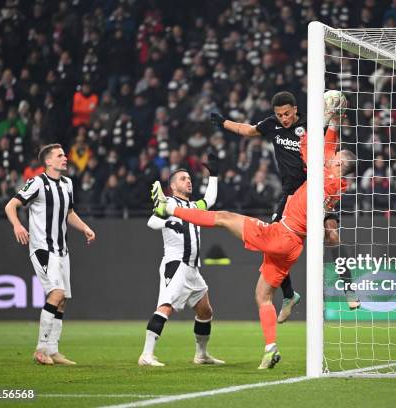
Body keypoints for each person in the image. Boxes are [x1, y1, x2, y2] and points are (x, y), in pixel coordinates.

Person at [153, 129, 356, 369]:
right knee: (263, 296)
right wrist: (331, 121)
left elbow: (315, 150)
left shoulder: (325, 177)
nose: (330, 156)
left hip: (281, 234)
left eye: (335, 157)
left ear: (339, 163)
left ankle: (169, 209)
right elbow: (328, 149)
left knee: (223, 217)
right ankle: (271, 348)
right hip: (293, 245)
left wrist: (318, 129)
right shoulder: (337, 182)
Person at [210, 91, 359, 322]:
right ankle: (289, 295)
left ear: (296, 110)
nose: (284, 118)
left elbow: (331, 137)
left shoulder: (311, 125)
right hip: (292, 195)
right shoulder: (272, 125)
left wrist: (334, 113)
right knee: (272, 245)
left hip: (318, 186)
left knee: (332, 234)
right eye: (279, 115)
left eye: (287, 113)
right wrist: (223, 122)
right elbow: (248, 130)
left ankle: (349, 288)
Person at [4, 143, 96, 365]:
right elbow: (11, 205)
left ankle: (53, 350)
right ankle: (40, 349)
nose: (65, 158)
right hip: (43, 248)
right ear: (48, 161)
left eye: (64, 155)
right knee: (56, 293)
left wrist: (84, 227)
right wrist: (17, 225)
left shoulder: (67, 184)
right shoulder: (37, 183)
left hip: (62, 250)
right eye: (60, 155)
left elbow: (69, 213)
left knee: (62, 300)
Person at [138, 155, 224, 367]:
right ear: (173, 185)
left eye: (189, 178)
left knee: (205, 311)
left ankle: (201, 355)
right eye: (183, 179)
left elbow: (210, 201)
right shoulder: (168, 203)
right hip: (176, 265)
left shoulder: (194, 206)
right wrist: (167, 222)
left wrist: (213, 175)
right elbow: (152, 222)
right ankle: (146, 355)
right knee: (165, 307)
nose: (188, 181)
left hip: (193, 269)